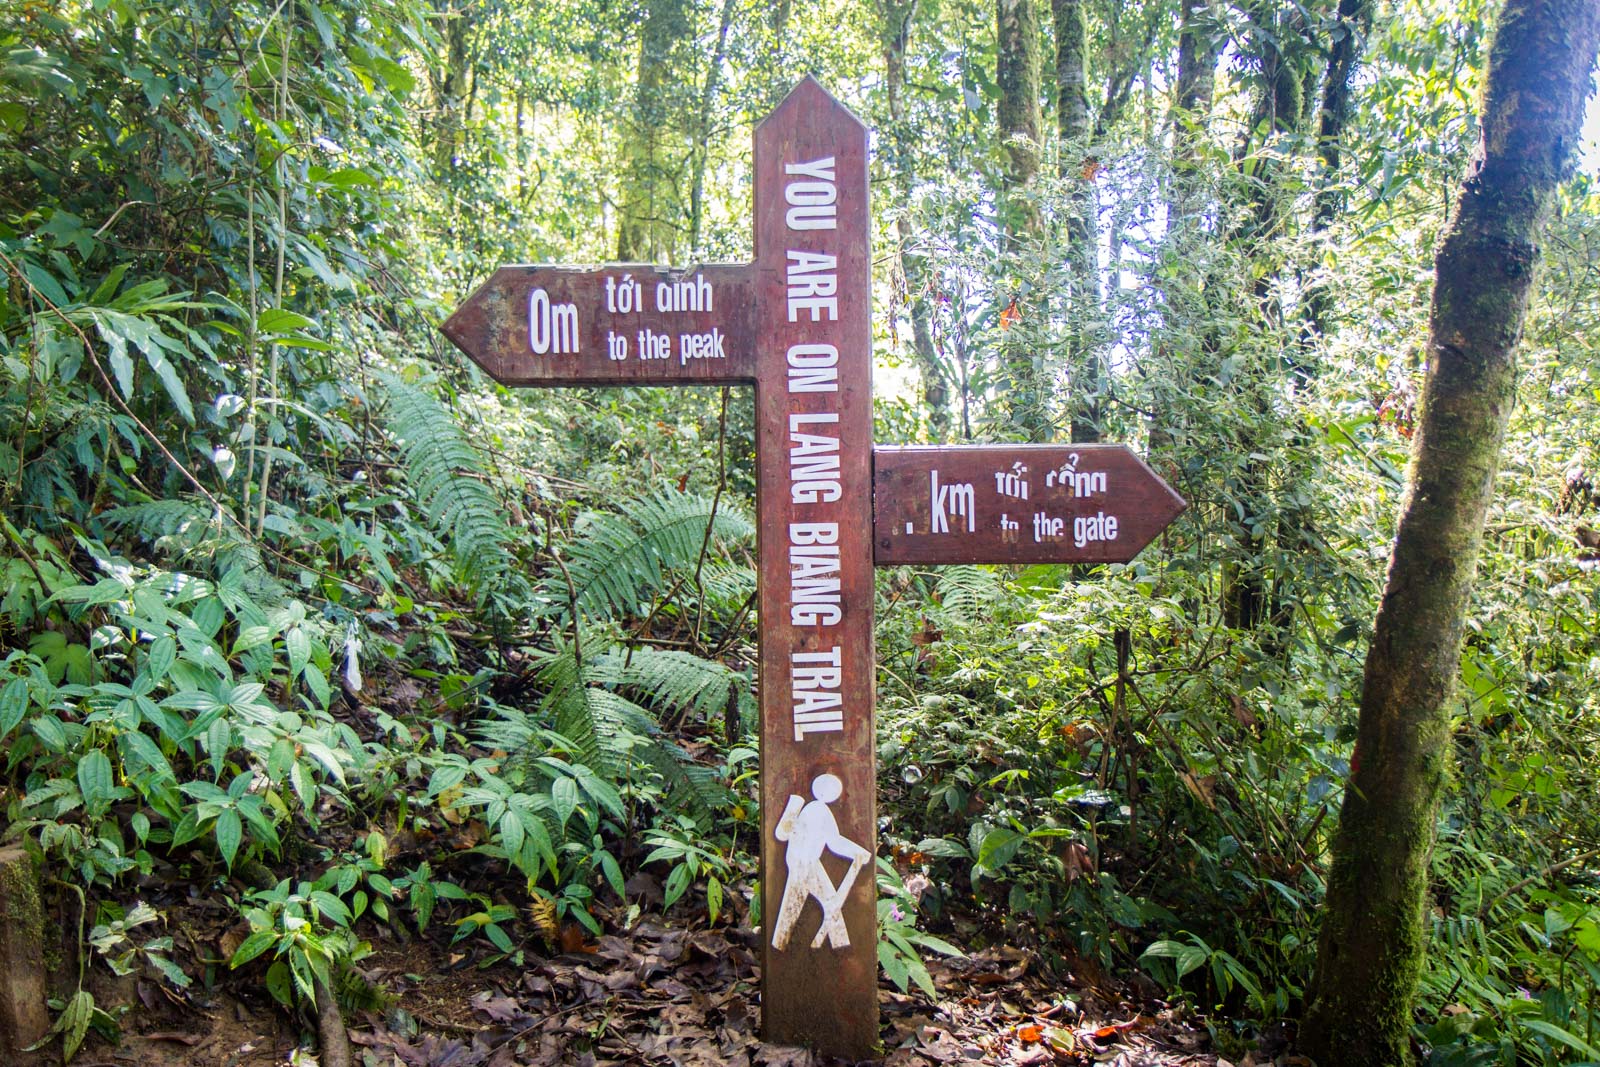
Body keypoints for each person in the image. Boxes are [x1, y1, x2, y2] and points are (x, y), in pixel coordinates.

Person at [770, 773, 870, 950]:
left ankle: (839, 949)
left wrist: (857, 852)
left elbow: (834, 841)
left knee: (822, 905)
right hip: (802, 864)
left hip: (806, 864)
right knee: (802, 906)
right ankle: (837, 948)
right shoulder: (814, 809)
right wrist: (857, 852)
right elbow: (832, 841)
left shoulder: (819, 810)